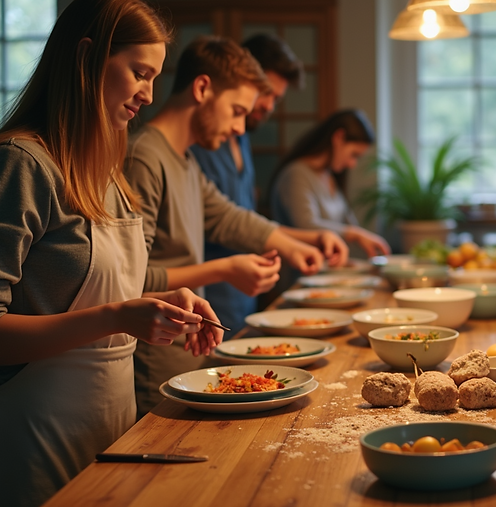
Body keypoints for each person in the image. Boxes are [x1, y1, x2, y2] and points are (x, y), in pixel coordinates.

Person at [0, 0, 222, 507]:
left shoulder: (108, 176)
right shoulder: (18, 165)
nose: (149, 95)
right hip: (27, 437)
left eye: (155, 78)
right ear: (87, 56)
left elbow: (119, 288)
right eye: (140, 73)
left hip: (106, 429)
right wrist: (116, 315)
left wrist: (168, 303)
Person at [124, 35, 348, 415]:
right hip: (158, 367)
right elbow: (131, 282)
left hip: (190, 359)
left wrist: (295, 244)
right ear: (202, 88)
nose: (242, 128)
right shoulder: (144, 157)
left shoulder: (185, 160)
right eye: (237, 111)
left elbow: (227, 216)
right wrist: (226, 269)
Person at [190, 33, 301, 334]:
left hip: (241, 302)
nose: (268, 106)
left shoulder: (239, 137)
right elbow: (221, 221)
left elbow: (240, 218)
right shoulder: (201, 143)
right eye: (268, 94)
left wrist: (302, 241)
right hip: (205, 306)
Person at [270, 108, 391, 257]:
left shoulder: (329, 176)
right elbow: (306, 225)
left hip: (328, 272)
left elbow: (348, 223)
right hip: (301, 273)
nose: (353, 164)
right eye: (354, 155)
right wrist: (355, 234)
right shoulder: (296, 174)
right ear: (338, 138)